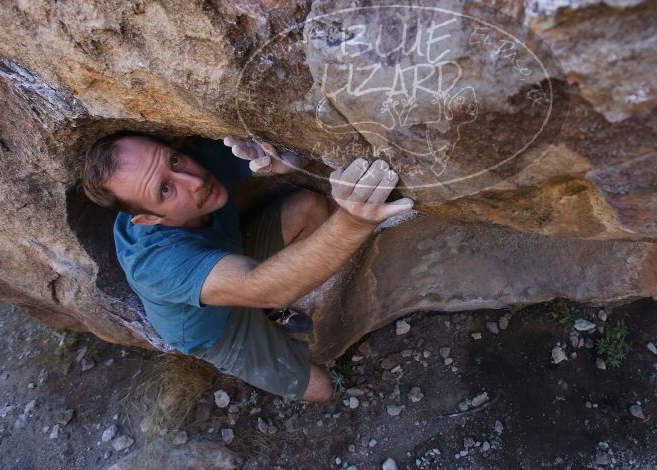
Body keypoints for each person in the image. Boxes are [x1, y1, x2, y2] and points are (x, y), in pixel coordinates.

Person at [81, 131, 413, 402]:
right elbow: (260, 284)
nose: (194, 181)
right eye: (166, 189)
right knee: (321, 389)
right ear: (149, 218)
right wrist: (353, 222)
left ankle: (268, 310)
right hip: (215, 329)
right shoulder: (156, 264)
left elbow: (260, 157)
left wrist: (280, 156)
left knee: (308, 208)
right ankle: (266, 312)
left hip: (234, 265)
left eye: (174, 159)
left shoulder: (195, 166)